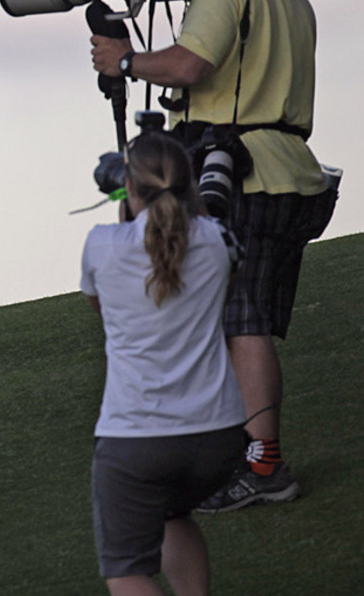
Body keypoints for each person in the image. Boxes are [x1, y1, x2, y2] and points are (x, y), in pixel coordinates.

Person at [90, 0, 335, 512]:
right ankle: (249, 455)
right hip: (291, 171)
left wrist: (123, 60)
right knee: (249, 317)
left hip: (242, 170)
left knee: (241, 321)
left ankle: (263, 467)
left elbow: (190, 66)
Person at [82, 132, 247, 595]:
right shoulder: (219, 242)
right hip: (217, 436)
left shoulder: (100, 245)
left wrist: (123, 209)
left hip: (135, 439)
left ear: (130, 188)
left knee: (127, 569)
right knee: (173, 513)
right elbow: (217, 275)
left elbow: (104, 310)